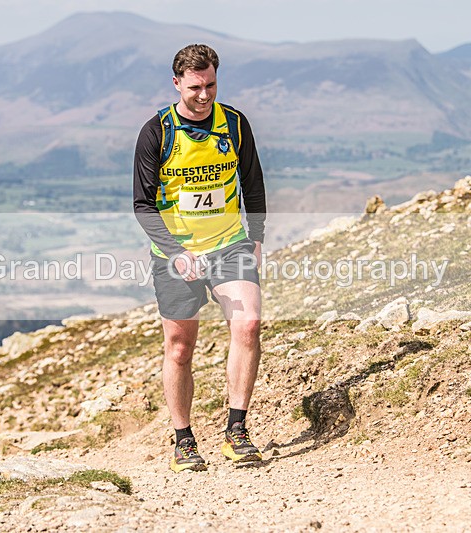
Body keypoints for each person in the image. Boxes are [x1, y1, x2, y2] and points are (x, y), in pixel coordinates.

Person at [133, 44, 267, 472]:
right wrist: (176, 252)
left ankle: (237, 430)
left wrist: (257, 236)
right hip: (175, 253)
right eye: (195, 87)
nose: (204, 95)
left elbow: (253, 182)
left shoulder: (235, 124)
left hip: (229, 243)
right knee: (179, 348)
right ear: (177, 83)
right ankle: (184, 440)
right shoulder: (156, 132)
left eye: (211, 84)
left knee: (248, 325)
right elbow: (142, 205)